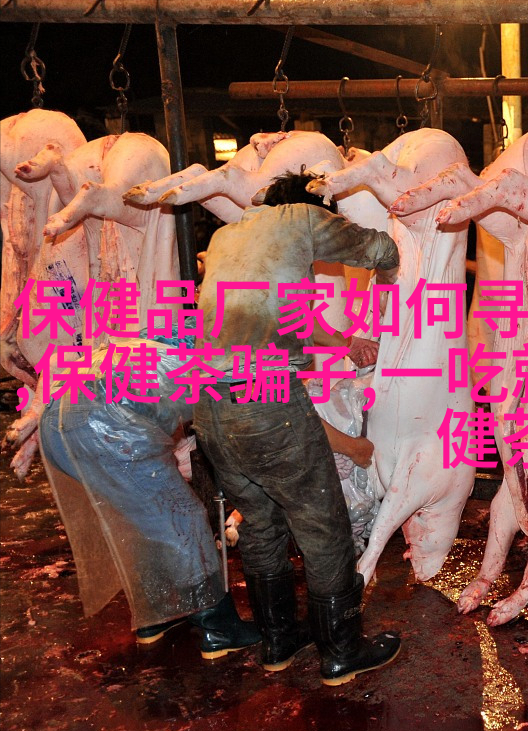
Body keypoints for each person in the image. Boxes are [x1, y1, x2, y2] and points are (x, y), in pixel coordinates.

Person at [192, 171, 401, 686]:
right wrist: (390, 271)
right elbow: (377, 247)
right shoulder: (303, 218)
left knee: (261, 525)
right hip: (268, 403)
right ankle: (342, 651)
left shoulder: (227, 238)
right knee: (323, 526)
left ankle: (278, 641)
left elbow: (285, 320)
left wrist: (346, 342)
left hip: (211, 407)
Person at [38, 333, 262, 658]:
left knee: (143, 519)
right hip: (104, 427)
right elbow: (229, 419)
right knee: (184, 517)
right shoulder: (216, 362)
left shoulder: (167, 340)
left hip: (56, 426)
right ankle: (218, 627)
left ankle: (157, 614)